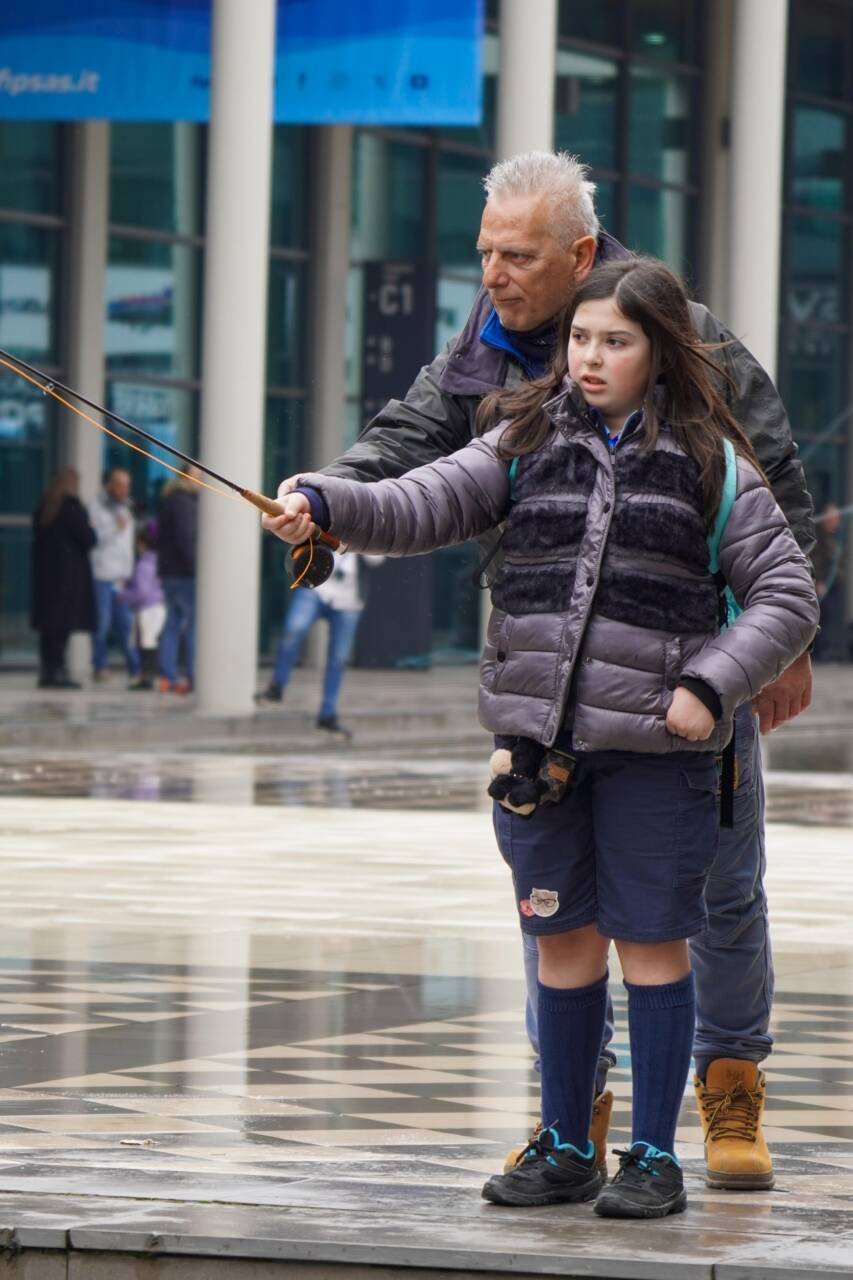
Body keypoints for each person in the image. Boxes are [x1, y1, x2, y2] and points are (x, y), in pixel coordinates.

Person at [264, 151, 817, 1191]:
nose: (493, 275)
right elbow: (412, 467)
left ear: (578, 252)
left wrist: (757, 662)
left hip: (685, 687)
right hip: (551, 702)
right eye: (484, 252)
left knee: (715, 893)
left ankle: (728, 1082)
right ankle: (574, 1113)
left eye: (516, 256)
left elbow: (773, 488)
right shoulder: (484, 360)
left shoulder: (686, 337)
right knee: (554, 915)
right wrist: (324, 499)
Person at [258, 552, 384, 736]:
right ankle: (276, 688)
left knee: (338, 657)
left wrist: (360, 542)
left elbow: (377, 559)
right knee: (294, 629)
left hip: (349, 599)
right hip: (315, 586)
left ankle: (327, 714)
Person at [30, 467, 96, 689]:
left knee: (49, 629)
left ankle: (48, 671)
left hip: (47, 579)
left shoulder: (45, 507)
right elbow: (88, 538)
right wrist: (90, 527)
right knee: (61, 627)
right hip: (67, 579)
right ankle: (57, 671)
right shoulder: (71, 507)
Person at [89, 466, 140, 684]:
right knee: (101, 623)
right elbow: (95, 539)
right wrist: (115, 528)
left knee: (126, 624)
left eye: (127, 485)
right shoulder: (96, 507)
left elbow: (127, 543)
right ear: (108, 484)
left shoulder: (126, 507)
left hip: (122, 576)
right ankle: (100, 666)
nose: (124, 489)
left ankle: (135, 669)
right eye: (119, 484)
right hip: (102, 574)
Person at [157, 468, 198, 694]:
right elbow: (186, 538)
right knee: (193, 625)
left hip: (169, 571)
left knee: (172, 623)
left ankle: (168, 675)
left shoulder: (170, 499)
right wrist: (196, 567)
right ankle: (193, 675)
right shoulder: (184, 502)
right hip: (184, 573)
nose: (202, 483)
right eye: (199, 477)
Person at [119, 526, 166, 690]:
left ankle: (147, 677)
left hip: (147, 609)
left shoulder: (143, 565)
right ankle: (150, 676)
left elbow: (142, 592)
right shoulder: (158, 562)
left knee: (146, 645)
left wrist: (124, 595)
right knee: (152, 644)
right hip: (158, 607)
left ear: (142, 544)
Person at [812, 502, 848, 662]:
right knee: (821, 620)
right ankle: (819, 652)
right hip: (823, 586)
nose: (835, 520)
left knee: (832, 620)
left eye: (837, 517)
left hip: (835, 586)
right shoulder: (819, 538)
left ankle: (831, 650)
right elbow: (817, 560)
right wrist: (819, 581)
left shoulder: (837, 537)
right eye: (832, 517)